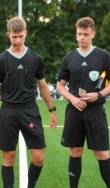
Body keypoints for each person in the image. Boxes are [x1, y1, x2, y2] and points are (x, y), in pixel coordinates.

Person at [0, 17, 58, 188]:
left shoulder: (35, 58)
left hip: (30, 110)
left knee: (39, 157)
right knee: (8, 158)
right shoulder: (1, 60)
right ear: (8, 34)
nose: (18, 40)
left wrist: (52, 110)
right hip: (8, 111)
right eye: (14, 36)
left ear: (26, 33)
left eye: (21, 36)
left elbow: (43, 86)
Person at [55, 17, 110, 188]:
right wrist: (72, 98)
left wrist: (99, 95)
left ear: (93, 34)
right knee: (75, 151)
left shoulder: (103, 56)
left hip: (95, 110)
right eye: (79, 34)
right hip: (74, 111)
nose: (81, 38)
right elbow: (60, 85)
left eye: (85, 34)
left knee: (102, 153)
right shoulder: (69, 57)